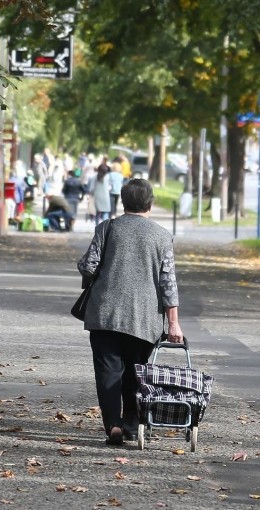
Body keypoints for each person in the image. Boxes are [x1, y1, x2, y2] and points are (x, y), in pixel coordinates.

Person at [76, 178, 183, 446]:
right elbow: (168, 282)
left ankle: (112, 424)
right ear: (151, 202)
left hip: (105, 314)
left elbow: (88, 265)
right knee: (137, 372)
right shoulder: (162, 235)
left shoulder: (107, 228)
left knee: (107, 370)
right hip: (144, 317)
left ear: (122, 201)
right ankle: (132, 426)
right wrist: (173, 323)